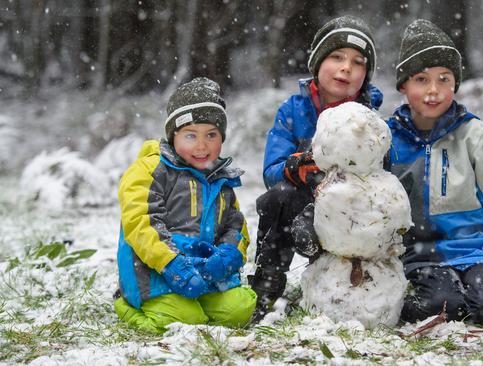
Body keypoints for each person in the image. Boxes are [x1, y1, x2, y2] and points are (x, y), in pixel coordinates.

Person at [387, 19, 483, 328]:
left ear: (455, 84)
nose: (434, 90)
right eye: (421, 79)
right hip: (422, 257)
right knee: (441, 306)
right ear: (403, 85)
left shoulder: (477, 136)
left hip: (477, 251)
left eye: (444, 79)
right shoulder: (387, 139)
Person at [249, 15, 383, 321]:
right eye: (336, 57)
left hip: (351, 211)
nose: (346, 68)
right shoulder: (293, 111)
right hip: (300, 202)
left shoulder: (370, 118)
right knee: (276, 198)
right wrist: (294, 166)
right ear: (317, 63)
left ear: (366, 74)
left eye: (358, 62)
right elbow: (272, 169)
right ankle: (268, 284)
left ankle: (361, 288)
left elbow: (385, 172)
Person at [113, 77, 257, 334]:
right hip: (155, 273)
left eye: (211, 135)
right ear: (173, 135)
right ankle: (127, 307)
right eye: (191, 135)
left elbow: (235, 223)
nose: (202, 146)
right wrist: (171, 263)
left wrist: (229, 253)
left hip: (203, 274)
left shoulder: (220, 178)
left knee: (240, 310)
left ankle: (197, 304)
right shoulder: (151, 170)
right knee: (184, 321)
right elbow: (140, 223)